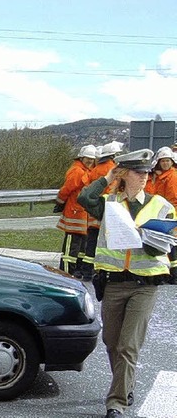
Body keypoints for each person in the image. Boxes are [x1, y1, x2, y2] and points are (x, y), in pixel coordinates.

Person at [77, 149, 176, 418]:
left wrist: (150, 240)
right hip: (114, 283)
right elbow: (84, 197)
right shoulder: (109, 202)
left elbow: (167, 247)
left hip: (145, 284)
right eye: (138, 172)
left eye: (147, 172)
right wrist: (108, 174)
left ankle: (116, 403)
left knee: (128, 345)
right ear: (124, 175)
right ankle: (126, 383)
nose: (144, 177)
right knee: (111, 341)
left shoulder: (160, 205)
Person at [83, 141, 125, 280]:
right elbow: (113, 190)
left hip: (94, 210)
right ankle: (102, 271)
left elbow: (89, 188)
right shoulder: (113, 169)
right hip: (107, 210)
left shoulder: (94, 169)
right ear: (114, 155)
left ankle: (87, 271)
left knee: (91, 242)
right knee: (105, 244)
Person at [54, 144, 96, 278]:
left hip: (82, 212)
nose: (89, 161)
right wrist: (60, 202)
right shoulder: (77, 171)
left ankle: (76, 270)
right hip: (74, 212)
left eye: (91, 159)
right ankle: (66, 272)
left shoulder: (87, 170)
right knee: (71, 247)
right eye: (87, 158)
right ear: (81, 158)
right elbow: (66, 189)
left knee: (80, 246)